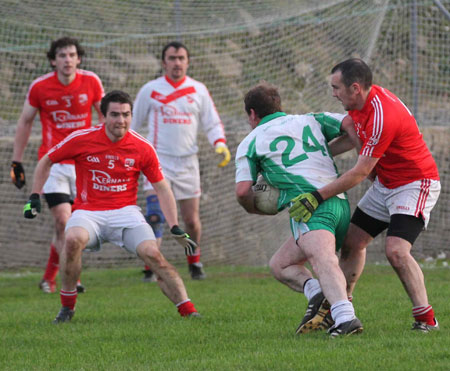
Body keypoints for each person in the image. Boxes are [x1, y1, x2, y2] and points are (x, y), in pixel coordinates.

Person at [289, 58, 441, 332]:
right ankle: (342, 309)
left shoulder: (384, 114)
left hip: (414, 183)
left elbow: (360, 172)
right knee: (351, 242)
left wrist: (317, 196)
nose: (333, 93)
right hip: (386, 184)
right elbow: (349, 141)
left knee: (396, 251)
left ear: (355, 88)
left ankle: (426, 319)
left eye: (336, 88)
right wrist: (303, 159)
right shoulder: (359, 107)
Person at [23, 90, 201, 323]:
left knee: (153, 254)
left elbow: (162, 188)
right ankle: (67, 306)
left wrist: (175, 226)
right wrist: (35, 195)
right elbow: (47, 159)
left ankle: (189, 310)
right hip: (88, 212)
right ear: (103, 116)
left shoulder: (142, 147)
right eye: (115, 115)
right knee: (72, 239)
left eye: (126, 114)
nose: (121, 120)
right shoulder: (82, 138)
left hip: (126, 213)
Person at [235, 82, 363, 337]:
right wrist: (356, 154)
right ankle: (318, 294)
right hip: (339, 202)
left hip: (309, 207)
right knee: (280, 265)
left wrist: (256, 209)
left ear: (252, 114)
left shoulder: (250, 142)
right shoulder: (310, 120)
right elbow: (351, 124)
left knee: (323, 259)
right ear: (278, 105)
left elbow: (242, 191)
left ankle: (345, 318)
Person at [11, 36, 104, 294]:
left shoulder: (92, 81)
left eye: (72, 55)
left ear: (79, 58)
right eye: (62, 55)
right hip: (54, 164)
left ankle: (50, 278)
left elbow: (106, 115)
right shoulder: (40, 87)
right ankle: (71, 279)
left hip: (85, 164)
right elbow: (25, 122)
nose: (67, 60)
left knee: (78, 225)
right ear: (53, 60)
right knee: (64, 221)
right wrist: (16, 161)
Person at [132, 41, 230, 281]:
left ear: (188, 61)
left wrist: (219, 143)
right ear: (164, 62)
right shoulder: (150, 90)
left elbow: (212, 121)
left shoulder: (198, 89)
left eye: (181, 58)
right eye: (172, 58)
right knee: (155, 215)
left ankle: (194, 262)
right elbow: (133, 124)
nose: (177, 63)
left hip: (188, 163)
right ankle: (151, 266)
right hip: (158, 161)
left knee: (191, 221)